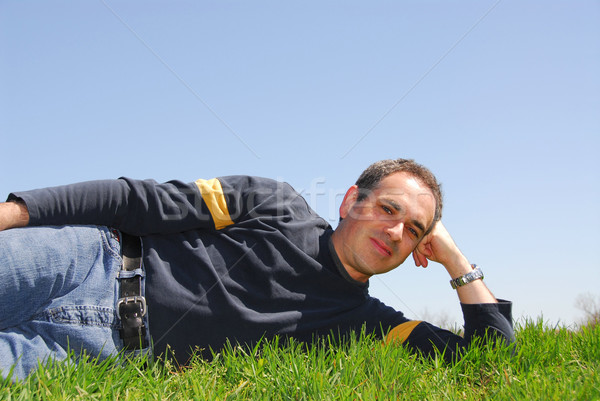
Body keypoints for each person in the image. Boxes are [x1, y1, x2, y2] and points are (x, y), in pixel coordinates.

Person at [0, 159, 514, 381]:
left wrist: (456, 259)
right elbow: (136, 200)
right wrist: (12, 213)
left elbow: (490, 361)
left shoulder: (368, 324)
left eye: (417, 231)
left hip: (89, 352)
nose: (396, 232)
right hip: (86, 263)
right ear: (350, 201)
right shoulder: (276, 203)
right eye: (388, 209)